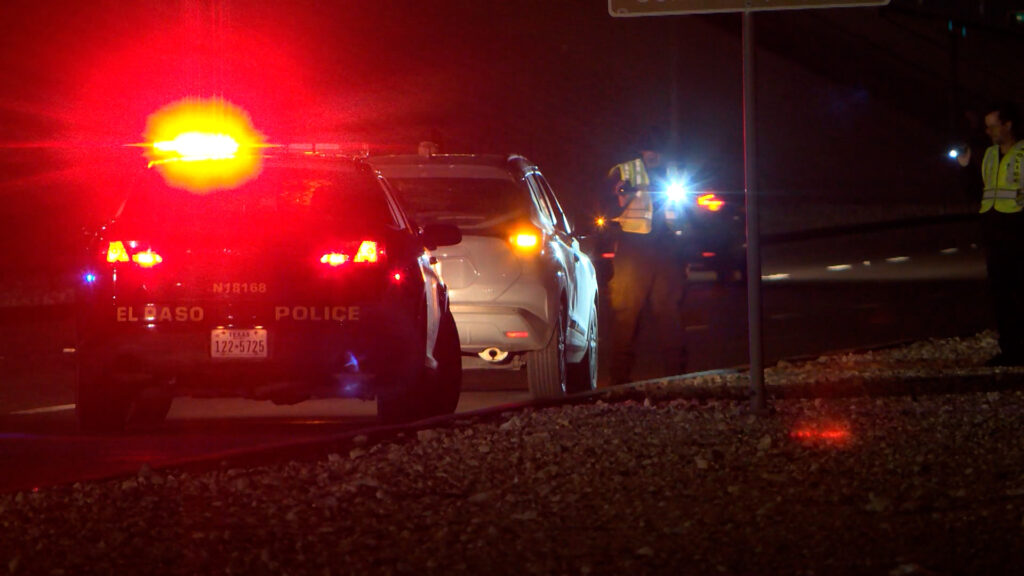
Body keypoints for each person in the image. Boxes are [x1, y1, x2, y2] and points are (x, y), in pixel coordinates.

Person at [603, 127, 689, 385]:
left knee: (669, 313)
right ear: (641, 151)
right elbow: (604, 208)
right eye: (649, 151)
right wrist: (623, 195)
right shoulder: (623, 171)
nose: (654, 156)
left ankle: (677, 378)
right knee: (627, 313)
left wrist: (686, 248)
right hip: (633, 249)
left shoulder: (674, 173)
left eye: (657, 151)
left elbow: (687, 212)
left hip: (667, 251)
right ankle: (619, 379)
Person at [961, 102, 1024, 366]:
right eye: (986, 128)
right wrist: (965, 168)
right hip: (996, 235)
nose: (989, 132)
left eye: (993, 126)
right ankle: (1011, 350)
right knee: (1001, 296)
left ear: (1008, 125)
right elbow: (979, 193)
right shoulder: (988, 156)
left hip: (1019, 232)